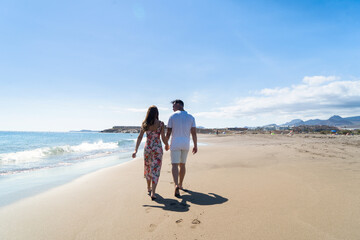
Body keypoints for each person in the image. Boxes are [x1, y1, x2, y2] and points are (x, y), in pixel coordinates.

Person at [132, 105, 169, 200]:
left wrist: (135, 150)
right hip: (157, 149)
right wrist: (167, 144)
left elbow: (140, 137)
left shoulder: (145, 123)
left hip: (148, 148)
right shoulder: (161, 124)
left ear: (148, 113)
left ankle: (148, 187)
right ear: (157, 113)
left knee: (148, 168)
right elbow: (163, 137)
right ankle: (153, 192)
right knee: (156, 169)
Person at [165, 99, 197, 197]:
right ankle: (181, 184)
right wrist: (195, 145)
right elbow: (194, 133)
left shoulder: (172, 116)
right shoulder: (191, 117)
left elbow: (169, 132)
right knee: (182, 165)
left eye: (174, 106)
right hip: (185, 143)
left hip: (175, 143)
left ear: (179, 105)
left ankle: (176, 185)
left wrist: (166, 143)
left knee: (174, 165)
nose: (172, 108)